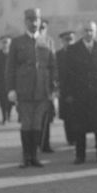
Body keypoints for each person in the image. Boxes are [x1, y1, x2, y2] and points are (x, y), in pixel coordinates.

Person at [6, 8, 56, 168]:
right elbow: (10, 68)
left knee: (37, 125)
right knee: (26, 124)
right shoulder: (17, 42)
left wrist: (54, 88)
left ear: (40, 21)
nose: (34, 23)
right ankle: (26, 157)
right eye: (30, 20)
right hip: (24, 91)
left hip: (42, 91)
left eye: (36, 20)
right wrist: (11, 89)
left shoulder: (48, 41)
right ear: (25, 22)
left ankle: (34, 156)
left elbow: (53, 67)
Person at [64, 21, 97, 164]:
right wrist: (68, 94)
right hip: (80, 96)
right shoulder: (73, 49)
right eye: (86, 30)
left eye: (91, 30)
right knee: (80, 128)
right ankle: (80, 156)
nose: (89, 33)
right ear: (81, 32)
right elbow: (67, 75)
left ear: (95, 32)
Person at [38, 19, 57, 153]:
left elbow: (53, 64)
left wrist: (54, 84)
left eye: (43, 28)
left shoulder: (49, 41)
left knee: (46, 117)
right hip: (31, 86)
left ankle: (45, 144)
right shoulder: (28, 42)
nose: (41, 30)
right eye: (40, 28)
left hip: (46, 85)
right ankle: (33, 145)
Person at [56, 30, 76, 145]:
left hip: (77, 90)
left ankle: (77, 138)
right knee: (67, 117)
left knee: (77, 115)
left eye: (71, 39)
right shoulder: (58, 55)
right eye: (66, 40)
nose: (69, 42)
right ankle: (70, 138)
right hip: (63, 91)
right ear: (62, 41)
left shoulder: (78, 53)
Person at [0, 35, 14, 124]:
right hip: (1, 82)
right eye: (3, 42)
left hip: (11, 82)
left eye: (7, 42)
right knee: (2, 99)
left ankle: (8, 113)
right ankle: (4, 116)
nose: (5, 44)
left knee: (10, 99)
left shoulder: (13, 55)